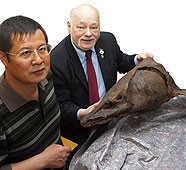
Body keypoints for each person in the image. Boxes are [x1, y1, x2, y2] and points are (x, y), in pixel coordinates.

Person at [50, 4, 153, 147]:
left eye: (94, 27)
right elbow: (62, 105)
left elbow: (121, 62)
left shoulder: (108, 41)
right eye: (81, 27)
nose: (88, 33)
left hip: (112, 114)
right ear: (69, 26)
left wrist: (136, 59)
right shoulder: (56, 60)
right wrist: (82, 113)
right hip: (80, 128)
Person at [0, 15, 72, 170]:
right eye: (26, 53)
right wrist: (43, 160)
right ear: (4, 59)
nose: (38, 60)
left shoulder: (46, 77)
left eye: (42, 49)